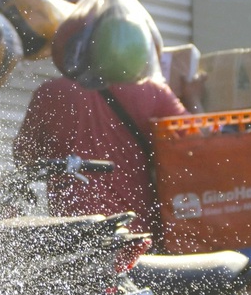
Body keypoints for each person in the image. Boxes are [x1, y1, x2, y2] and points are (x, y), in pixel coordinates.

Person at [13, 60, 202, 244]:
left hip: (73, 233)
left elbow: (24, 156)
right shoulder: (152, 91)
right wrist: (193, 97)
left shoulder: (51, 92)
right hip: (137, 233)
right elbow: (198, 145)